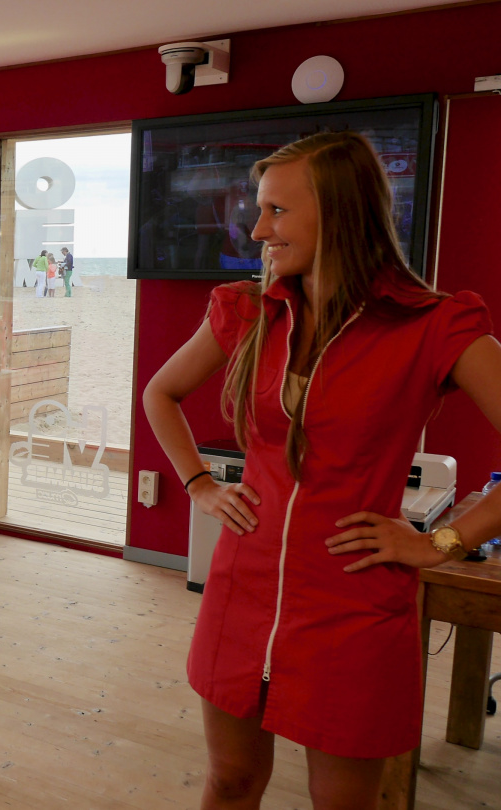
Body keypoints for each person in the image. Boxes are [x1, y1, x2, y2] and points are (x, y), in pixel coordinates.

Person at [141, 131, 501, 809]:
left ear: (338, 210)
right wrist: (200, 485)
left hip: (355, 607)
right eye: (260, 210)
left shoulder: (432, 325)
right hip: (240, 589)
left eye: (276, 210)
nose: (257, 230)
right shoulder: (248, 311)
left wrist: (439, 544)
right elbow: (159, 393)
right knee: (230, 782)